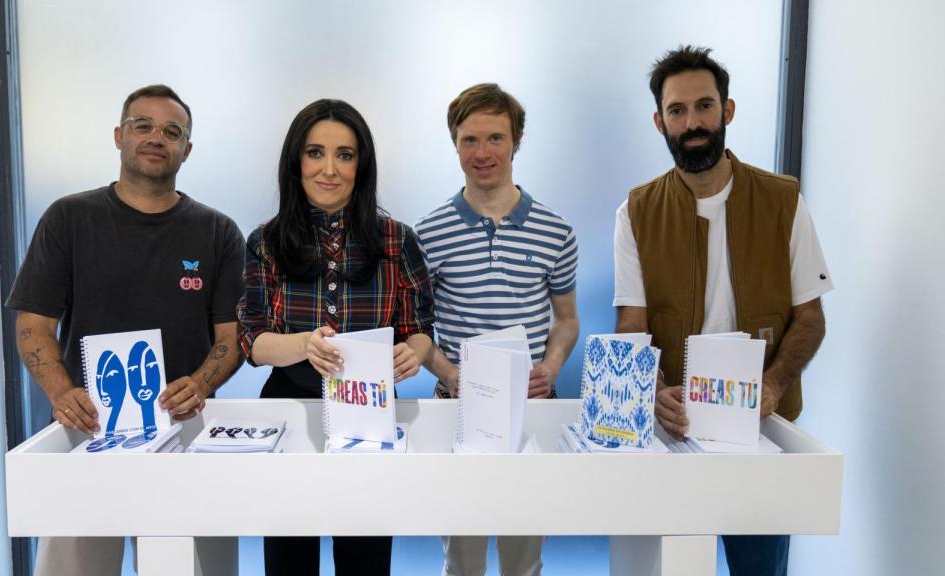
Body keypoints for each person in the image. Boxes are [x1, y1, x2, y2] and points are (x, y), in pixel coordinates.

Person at [6, 84, 245, 575]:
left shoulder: (218, 232)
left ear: (188, 149)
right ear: (119, 136)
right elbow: (33, 324)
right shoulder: (68, 219)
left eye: (172, 131)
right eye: (143, 126)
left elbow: (232, 337)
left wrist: (199, 385)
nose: (156, 137)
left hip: (187, 434)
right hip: (86, 432)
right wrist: (61, 393)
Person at [613, 46, 832, 576]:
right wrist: (655, 391)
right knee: (663, 566)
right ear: (659, 122)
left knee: (760, 569)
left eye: (704, 106)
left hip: (762, 427)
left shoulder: (784, 202)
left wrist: (775, 384)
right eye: (678, 111)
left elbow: (811, 318)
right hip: (672, 430)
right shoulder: (635, 212)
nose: (693, 123)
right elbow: (631, 327)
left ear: (727, 111)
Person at [236, 98, 435, 576]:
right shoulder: (265, 241)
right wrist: (303, 345)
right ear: (295, 162)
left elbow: (422, 329)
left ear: (361, 166)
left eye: (345, 155)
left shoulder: (397, 239)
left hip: (369, 411)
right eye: (315, 153)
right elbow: (253, 341)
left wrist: (413, 353)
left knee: (365, 560)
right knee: (288, 561)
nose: (330, 169)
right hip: (288, 408)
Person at [415, 83, 580, 576]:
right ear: (455, 144)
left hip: (531, 408)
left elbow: (567, 320)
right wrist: (449, 374)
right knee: (462, 559)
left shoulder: (557, 231)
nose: (482, 153)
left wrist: (549, 368)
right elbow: (416, 328)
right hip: (457, 408)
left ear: (516, 141)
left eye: (495, 138)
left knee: (524, 558)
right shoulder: (427, 234)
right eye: (469, 140)